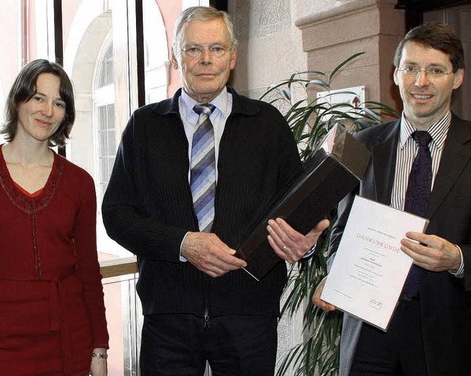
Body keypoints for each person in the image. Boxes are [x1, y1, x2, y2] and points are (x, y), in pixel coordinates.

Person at [101, 6, 329, 375]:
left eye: (217, 49)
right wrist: (182, 244)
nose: (206, 60)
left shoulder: (267, 124)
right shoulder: (144, 127)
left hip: (249, 315)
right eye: (193, 49)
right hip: (168, 316)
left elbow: (300, 208)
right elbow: (117, 215)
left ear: (233, 56)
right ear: (176, 56)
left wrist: (307, 240)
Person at [313, 22, 471, 375]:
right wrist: (337, 272)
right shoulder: (364, 146)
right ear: (395, 74)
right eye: (411, 68)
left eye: (436, 70)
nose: (421, 82)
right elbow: (342, 230)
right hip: (369, 332)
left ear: (457, 77)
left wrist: (458, 258)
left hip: (450, 336)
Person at [0, 59, 109, 376]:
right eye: (38, 97)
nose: (47, 111)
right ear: (18, 99)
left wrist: (99, 349)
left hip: (67, 340)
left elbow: (89, 272)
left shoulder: (80, 183)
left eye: (58, 103)